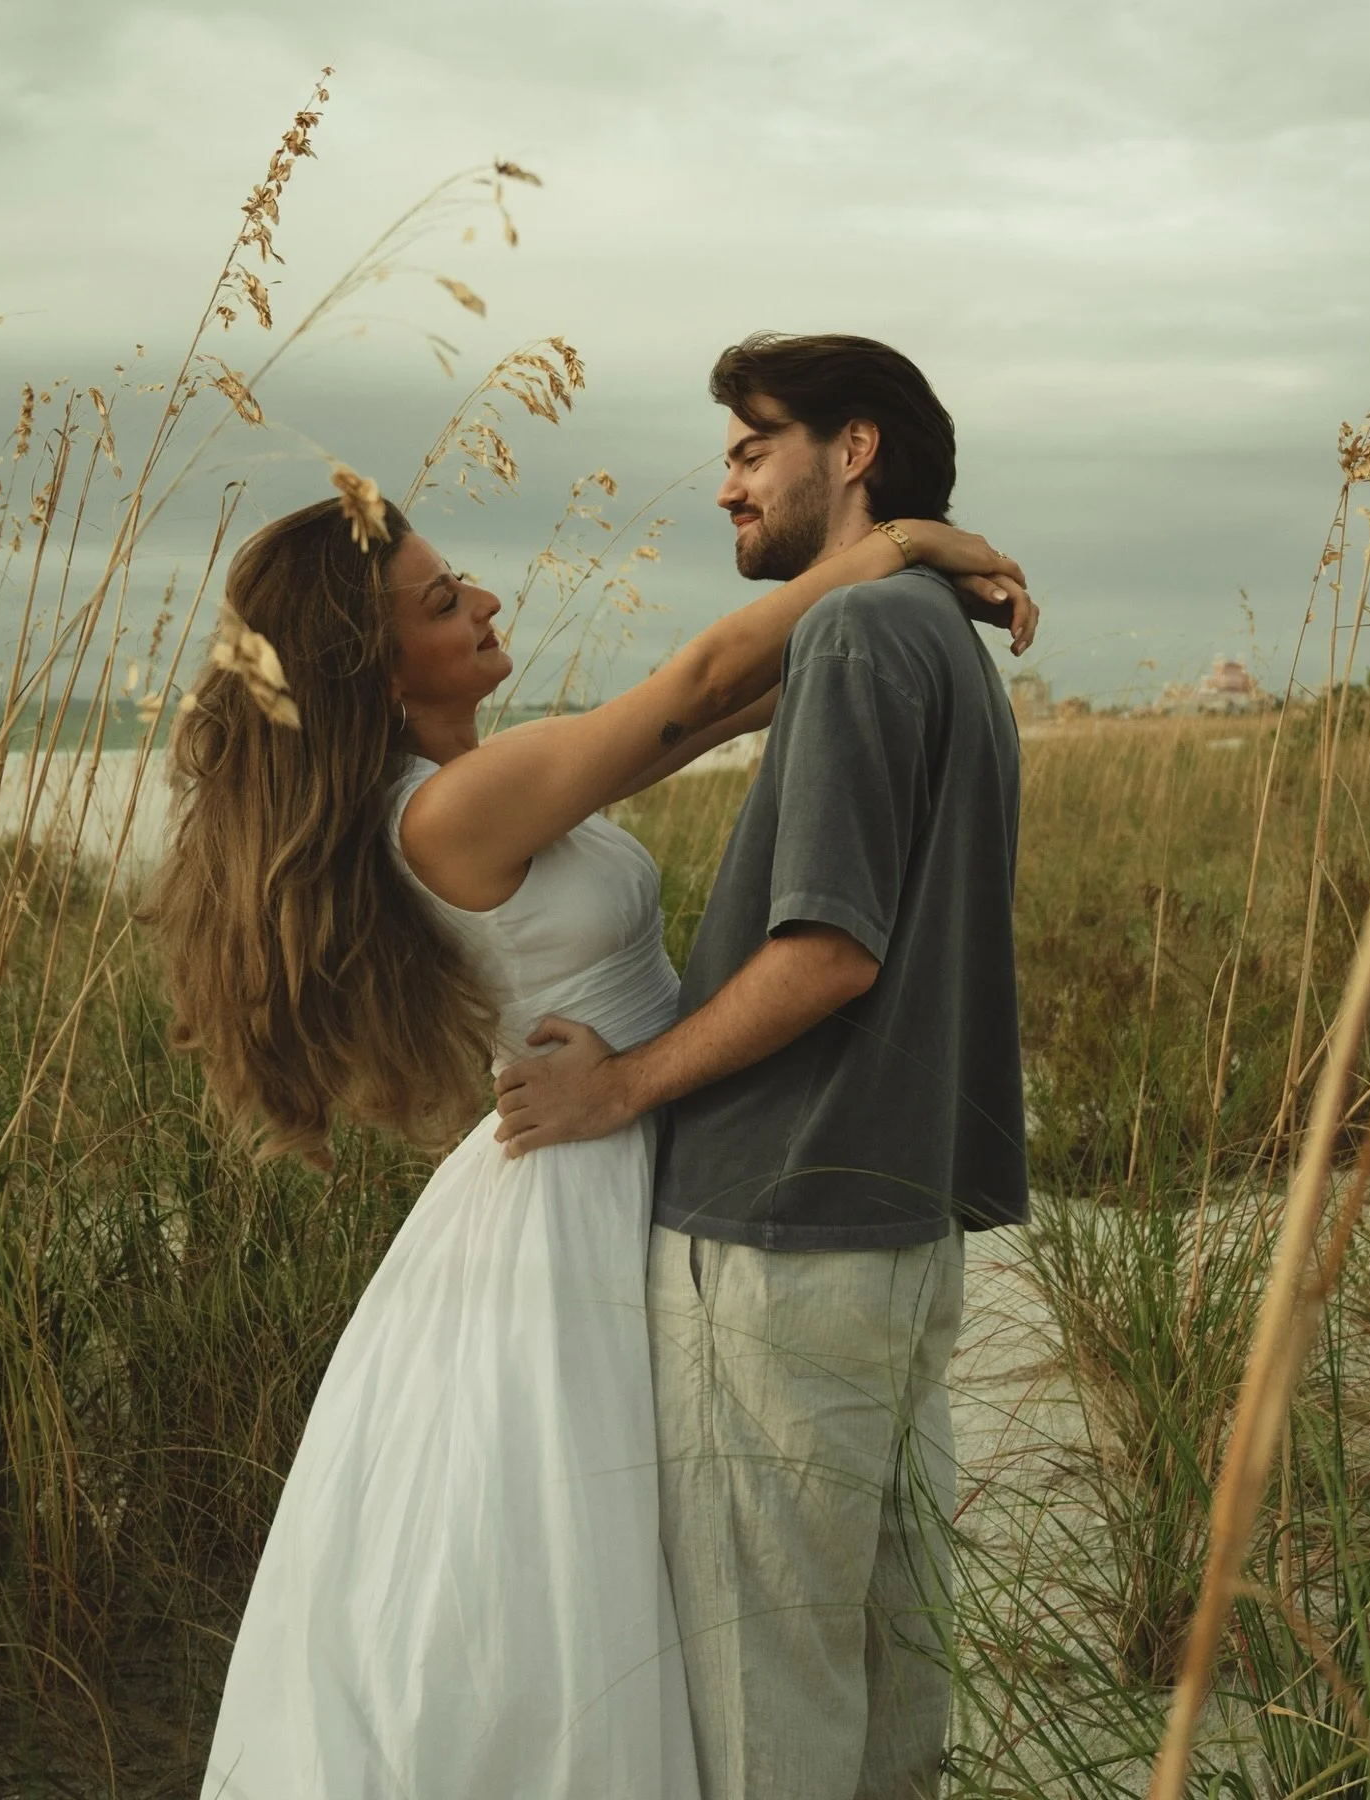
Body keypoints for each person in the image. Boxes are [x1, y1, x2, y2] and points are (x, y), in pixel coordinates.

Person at [157, 448, 1030, 1797]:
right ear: (373, 664)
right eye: (444, 604)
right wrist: (899, 540)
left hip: (613, 1150)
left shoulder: (483, 780)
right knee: (575, 1569)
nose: (488, 605)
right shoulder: (453, 808)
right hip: (579, 1178)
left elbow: (704, 718)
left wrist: (890, 641)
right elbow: (683, 686)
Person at [493, 333, 1033, 1800]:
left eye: (753, 447)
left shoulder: (860, 639)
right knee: (884, 1659)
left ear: (851, 452)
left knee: (761, 1692)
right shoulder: (942, 638)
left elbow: (830, 952)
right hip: (900, 1218)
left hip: (784, 1224)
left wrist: (618, 1087)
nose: (725, 483)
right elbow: (710, 701)